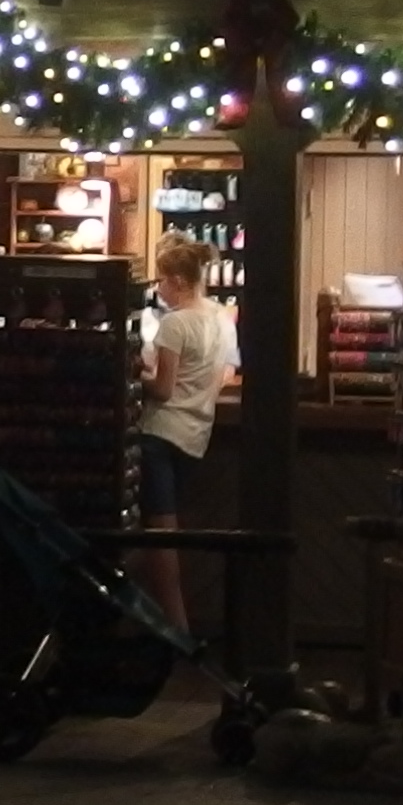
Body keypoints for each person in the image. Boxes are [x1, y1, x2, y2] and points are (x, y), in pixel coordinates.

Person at [130, 233, 236, 633]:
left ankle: (176, 627)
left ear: (176, 280)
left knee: (160, 534)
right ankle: (160, 618)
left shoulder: (175, 324)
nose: (158, 288)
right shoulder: (220, 318)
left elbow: (162, 389)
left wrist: (132, 373)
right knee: (161, 531)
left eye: (160, 280)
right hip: (196, 435)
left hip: (161, 433)